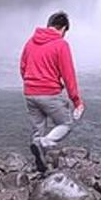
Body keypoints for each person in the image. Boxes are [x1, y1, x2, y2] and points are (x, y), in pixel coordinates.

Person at [19, 11, 84, 173]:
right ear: (63, 29)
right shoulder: (60, 44)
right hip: (49, 93)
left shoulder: (30, 42)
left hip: (30, 92)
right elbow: (68, 74)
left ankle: (40, 163)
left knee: (38, 129)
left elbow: (22, 66)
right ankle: (44, 143)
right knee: (65, 123)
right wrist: (76, 101)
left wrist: (30, 84)